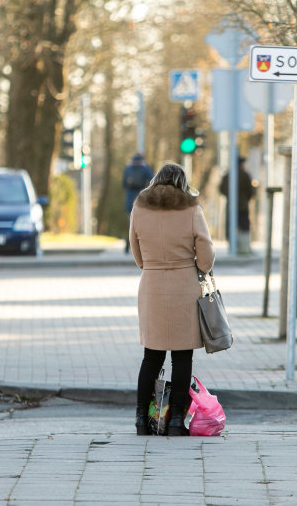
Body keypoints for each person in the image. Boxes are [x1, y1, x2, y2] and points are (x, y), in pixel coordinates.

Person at [129, 162, 216, 436]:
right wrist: (200, 266)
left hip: (152, 285)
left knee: (151, 357)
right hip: (184, 287)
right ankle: (177, 419)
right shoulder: (192, 209)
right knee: (182, 357)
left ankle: (142, 419)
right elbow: (206, 254)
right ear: (182, 182)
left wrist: (151, 265)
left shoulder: (139, 208)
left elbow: (136, 251)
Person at [220, 157, 259, 255]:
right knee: (244, 226)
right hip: (243, 206)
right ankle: (244, 248)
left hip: (231, 206)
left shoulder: (227, 176)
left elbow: (221, 189)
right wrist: (246, 199)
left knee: (230, 226)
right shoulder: (245, 175)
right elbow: (251, 191)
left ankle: (232, 246)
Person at [121, 153, 154, 253]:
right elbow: (153, 182)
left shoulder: (128, 169)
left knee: (131, 224)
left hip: (130, 202)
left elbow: (123, 185)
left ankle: (128, 245)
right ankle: (141, 247)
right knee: (143, 225)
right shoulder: (145, 168)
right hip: (142, 201)